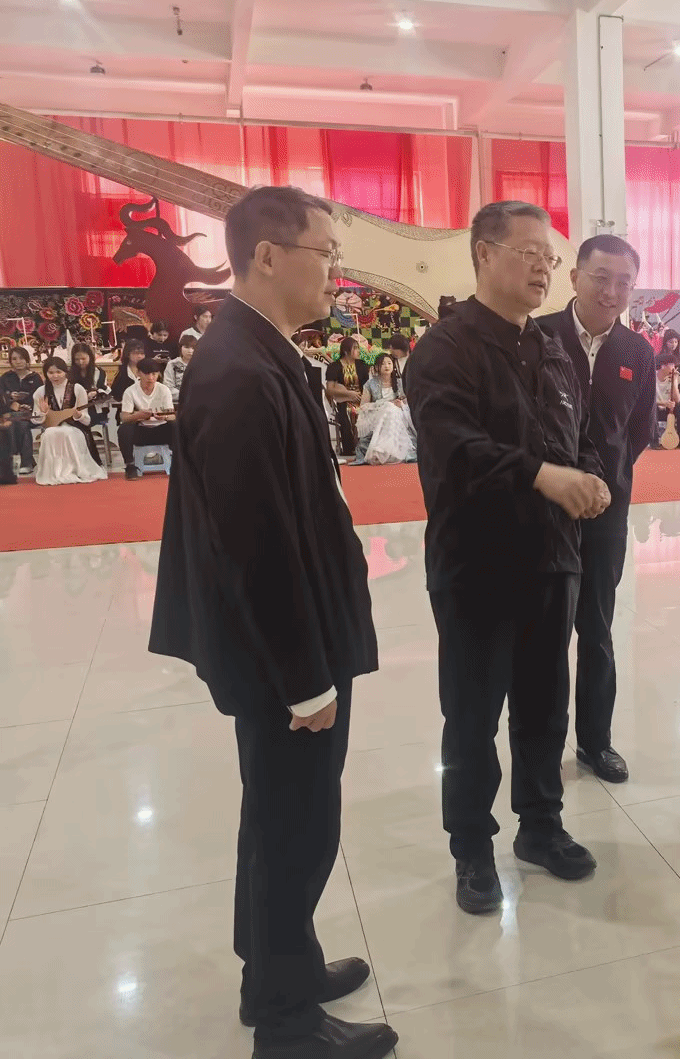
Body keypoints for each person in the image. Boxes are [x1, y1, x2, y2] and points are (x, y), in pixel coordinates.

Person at [148, 186, 396, 1059]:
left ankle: (277, 973)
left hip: (296, 634)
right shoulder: (239, 373)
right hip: (283, 653)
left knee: (283, 817)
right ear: (266, 256)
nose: (336, 271)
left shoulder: (259, 347)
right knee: (295, 827)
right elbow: (255, 548)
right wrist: (305, 678)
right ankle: (289, 1028)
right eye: (326, 252)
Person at [406, 200, 610, 916]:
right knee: (471, 716)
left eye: (549, 258)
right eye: (529, 253)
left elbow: (578, 432)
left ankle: (541, 825)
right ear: (483, 253)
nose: (543, 268)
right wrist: (541, 476)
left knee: (544, 705)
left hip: (552, 558)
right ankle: (471, 847)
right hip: (477, 564)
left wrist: (588, 476)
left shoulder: (550, 347)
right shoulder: (445, 350)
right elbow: (455, 449)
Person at [536, 234, 655, 785]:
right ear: (574, 277)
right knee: (545, 632)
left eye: (623, 282)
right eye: (600, 278)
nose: (611, 292)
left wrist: (609, 480)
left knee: (597, 628)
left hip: (608, 512)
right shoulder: (538, 336)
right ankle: (541, 745)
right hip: (545, 508)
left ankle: (595, 742)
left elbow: (640, 430)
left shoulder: (637, 352)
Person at [31, 356, 107, 484]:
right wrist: (42, 413)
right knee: (49, 434)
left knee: (66, 433)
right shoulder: (41, 391)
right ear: (45, 374)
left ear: (65, 372)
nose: (55, 376)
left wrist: (79, 416)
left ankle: (73, 470)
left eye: (58, 372)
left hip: (75, 428)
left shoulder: (77, 389)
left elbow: (87, 421)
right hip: (52, 427)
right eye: (51, 372)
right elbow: (35, 420)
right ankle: (53, 473)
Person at [118, 357, 177, 479]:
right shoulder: (130, 391)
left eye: (154, 374)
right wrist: (138, 415)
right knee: (124, 429)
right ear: (139, 373)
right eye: (147, 374)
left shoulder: (163, 389)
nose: (151, 378)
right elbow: (124, 417)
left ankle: (178, 463)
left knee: (176, 425)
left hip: (161, 429)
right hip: (141, 430)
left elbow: (172, 415)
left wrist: (164, 416)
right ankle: (130, 466)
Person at [353, 352, 414, 465]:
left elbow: (407, 401)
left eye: (389, 363)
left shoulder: (399, 383)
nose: (387, 366)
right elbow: (364, 406)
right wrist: (385, 404)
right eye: (383, 364)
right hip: (378, 414)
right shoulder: (370, 384)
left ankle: (383, 449)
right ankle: (384, 449)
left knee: (392, 410)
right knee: (389, 408)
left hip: (398, 413)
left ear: (393, 366)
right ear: (376, 367)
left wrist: (401, 404)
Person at [2, 345, 42, 475]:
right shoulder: (5, 378)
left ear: (27, 360)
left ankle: (25, 462)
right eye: (14, 359)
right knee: (12, 423)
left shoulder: (35, 378)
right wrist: (10, 400)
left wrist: (29, 406)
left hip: (31, 414)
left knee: (21, 423)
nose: (18, 361)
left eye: (21, 358)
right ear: (10, 361)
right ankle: (25, 460)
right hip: (10, 413)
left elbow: (41, 397)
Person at [324, 337, 368, 457]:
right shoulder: (334, 367)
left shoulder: (362, 365)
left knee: (367, 412)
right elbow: (330, 389)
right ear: (346, 351)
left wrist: (363, 398)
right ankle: (350, 448)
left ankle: (364, 447)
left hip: (361, 399)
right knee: (347, 413)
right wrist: (349, 394)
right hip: (343, 400)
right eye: (355, 348)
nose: (358, 351)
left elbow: (368, 386)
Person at [654, 354, 680, 446]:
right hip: (655, 407)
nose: (674, 368)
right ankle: (654, 439)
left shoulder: (672, 378)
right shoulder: (652, 378)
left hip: (668, 408)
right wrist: (664, 403)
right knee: (651, 408)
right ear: (663, 366)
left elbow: (677, 400)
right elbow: (647, 400)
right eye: (672, 365)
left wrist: (675, 381)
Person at [110, 337, 149, 411]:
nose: (139, 356)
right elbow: (116, 394)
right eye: (135, 353)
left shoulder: (149, 370)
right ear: (128, 354)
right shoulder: (122, 371)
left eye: (142, 354)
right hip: (126, 408)